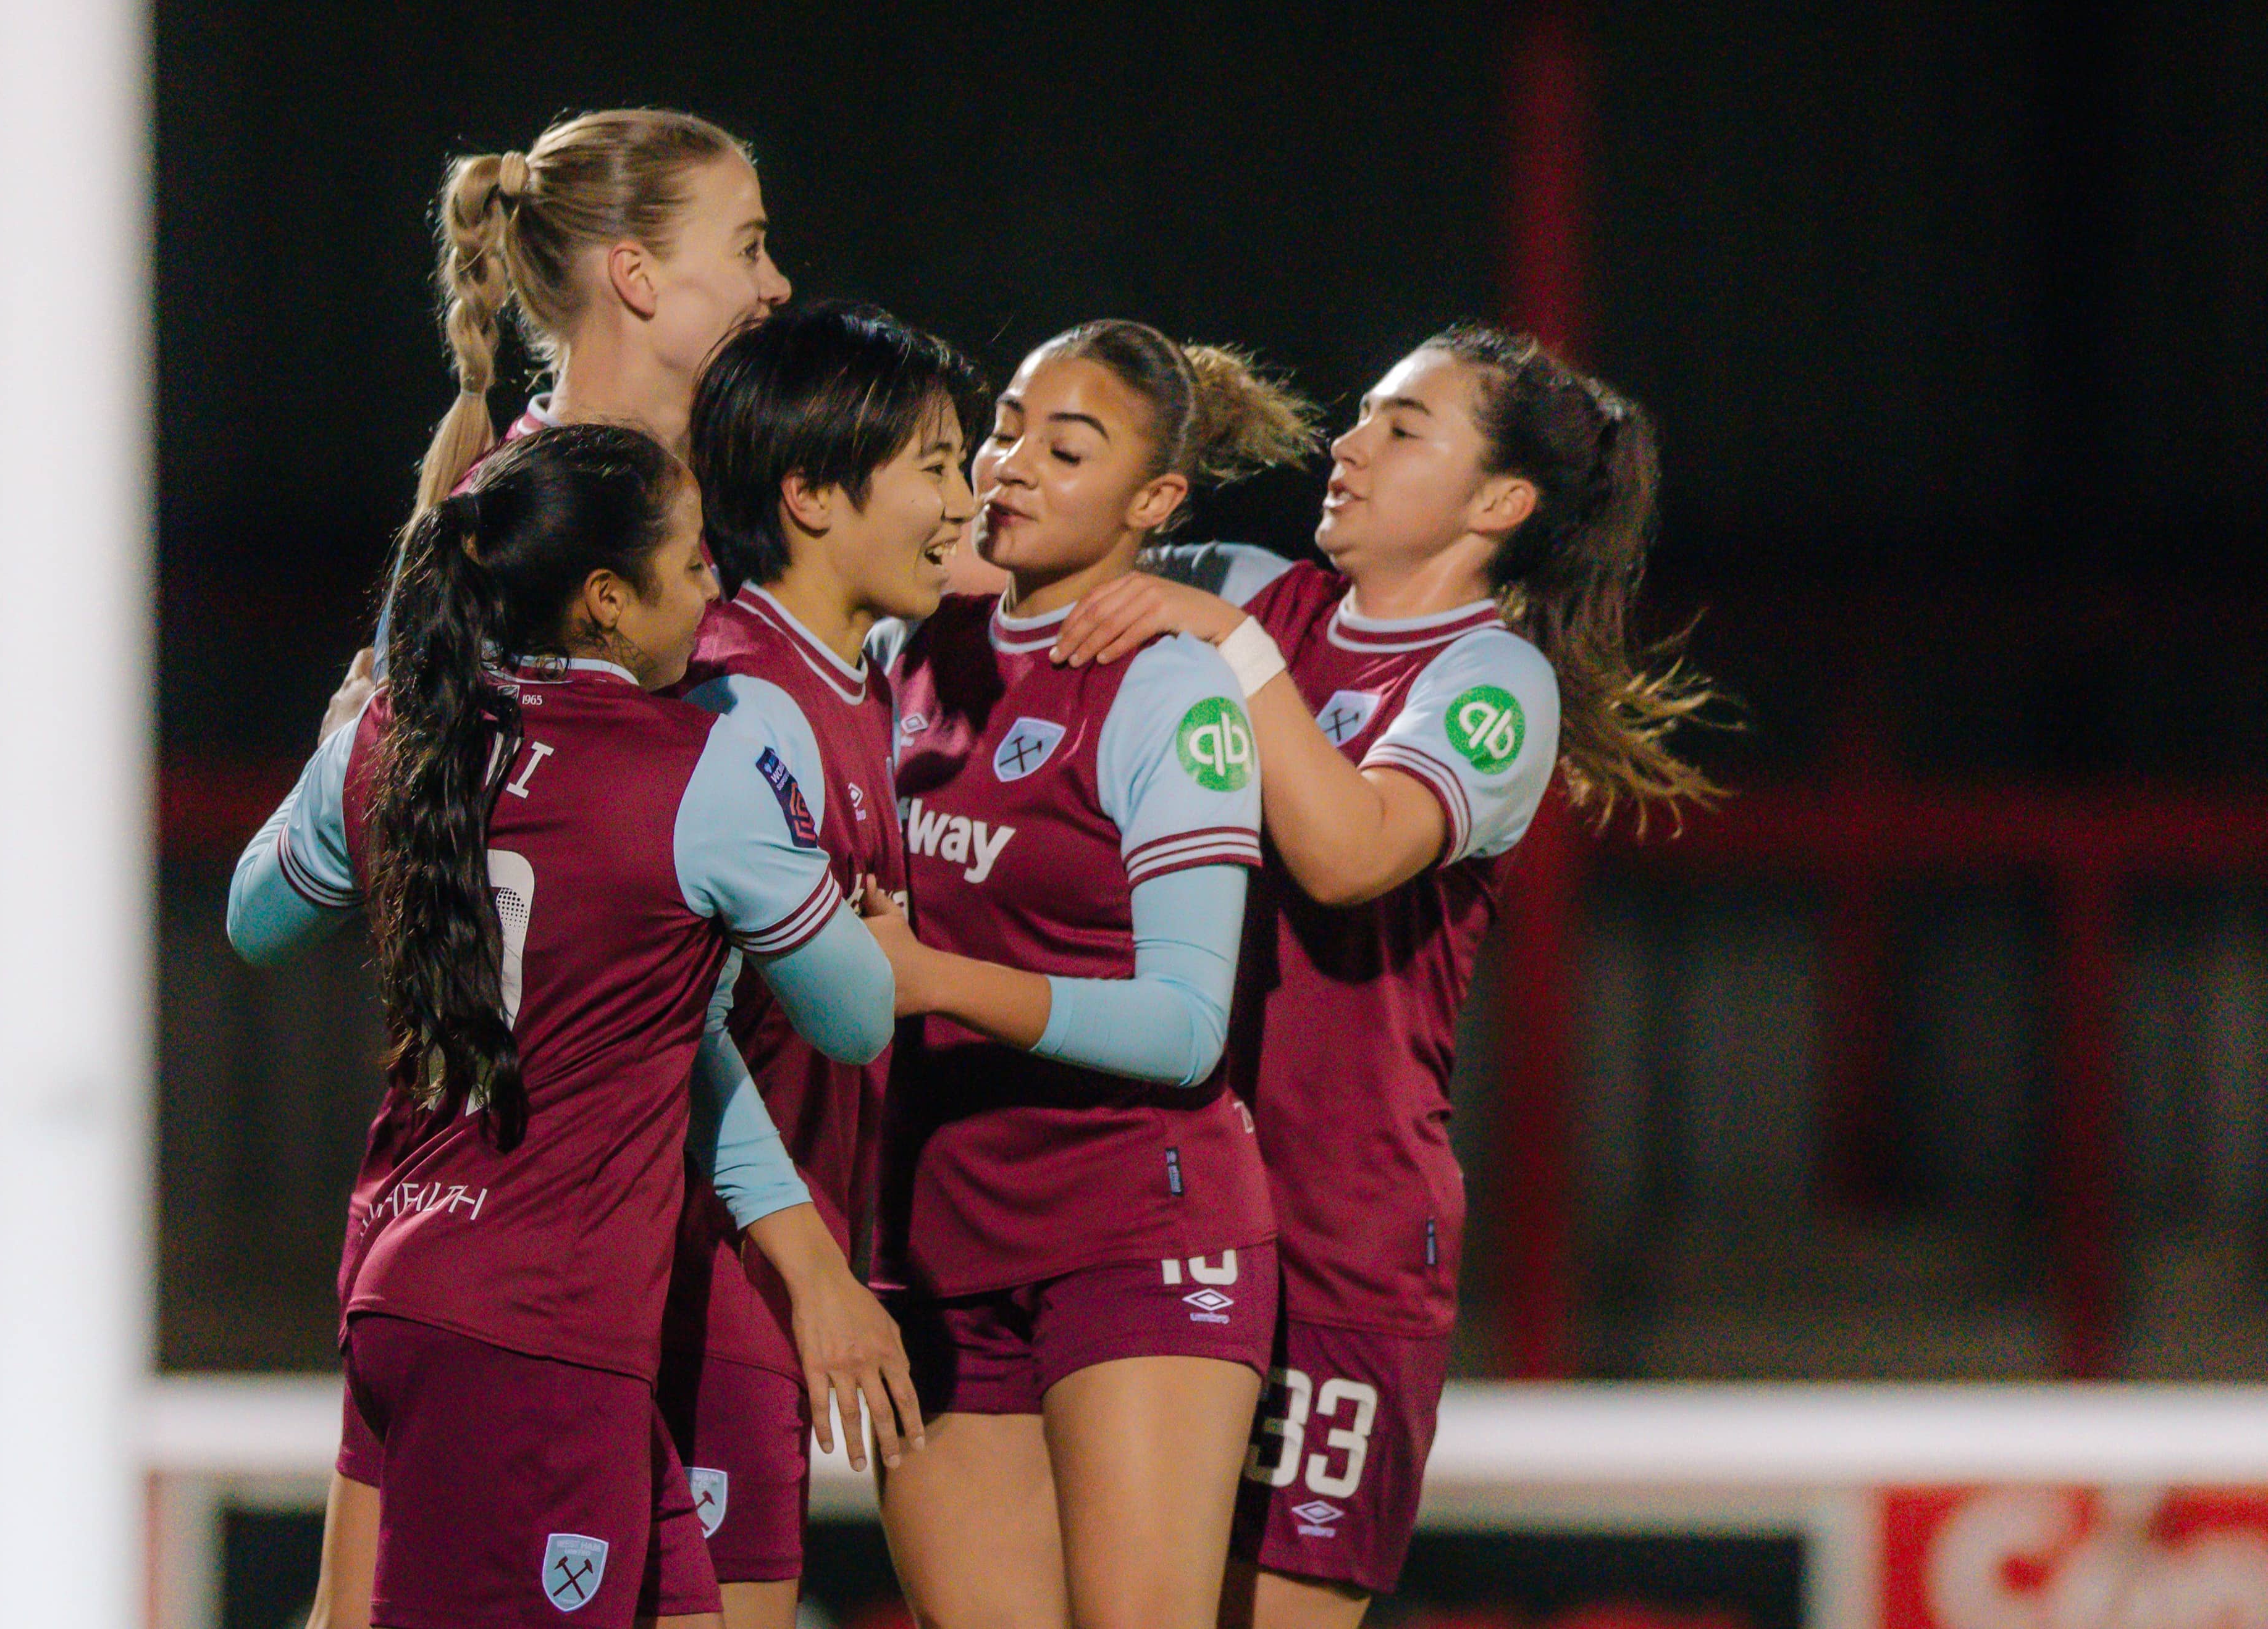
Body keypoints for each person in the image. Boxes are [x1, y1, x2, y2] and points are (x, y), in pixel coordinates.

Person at [1047, 325, 1724, 1629]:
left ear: (1496, 504)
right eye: (1358, 414)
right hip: (1145, 1209)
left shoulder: (1488, 683)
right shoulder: (1248, 589)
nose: (1347, 448)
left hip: (1330, 1234)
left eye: (1399, 428)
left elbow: (1347, 850)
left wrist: (1226, 653)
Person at [227, 424, 909, 1629]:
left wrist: (334, 742)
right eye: (693, 563)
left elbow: (254, 918)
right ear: (605, 598)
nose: (715, 587)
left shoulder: (398, 738)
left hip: (418, 1286)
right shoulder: (695, 770)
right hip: (534, 1338)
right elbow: (854, 1017)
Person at [859, 319, 1317, 1629]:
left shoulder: (1165, 689)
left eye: (1065, 448)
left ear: (1153, 501)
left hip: (1138, 1234)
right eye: (1002, 427)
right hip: (932, 1236)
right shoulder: (907, 650)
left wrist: (929, 978)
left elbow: (1182, 1028)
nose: (1008, 465)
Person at [662, 298, 982, 1629]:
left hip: (756, 1265)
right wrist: (813, 1271)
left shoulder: (848, 683)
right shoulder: (737, 698)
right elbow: (660, 1020)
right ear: (807, 493)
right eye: (935, 465)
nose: (964, 504)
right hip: (702, 1267)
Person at [330, 107, 794, 734]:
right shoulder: (504, 530)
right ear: (636, 275)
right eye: (749, 248)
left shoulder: (740, 489)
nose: (777, 283)